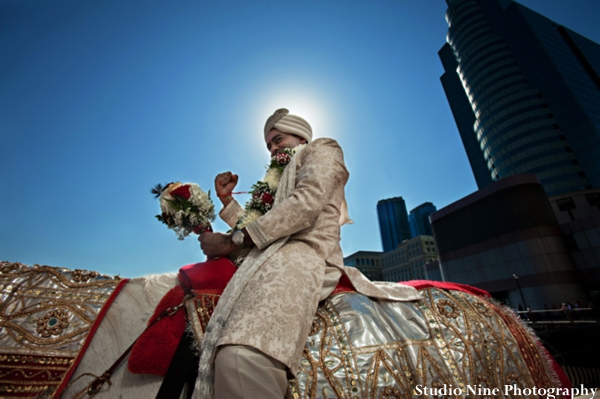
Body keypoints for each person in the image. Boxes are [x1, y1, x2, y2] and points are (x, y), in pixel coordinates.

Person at [196, 108, 420, 399]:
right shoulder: (277, 179)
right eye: (269, 145)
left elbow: (305, 204)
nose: (273, 147)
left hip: (305, 253)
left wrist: (231, 242)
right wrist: (226, 201)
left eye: (278, 139)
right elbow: (261, 223)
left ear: (301, 136)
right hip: (265, 256)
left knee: (244, 357)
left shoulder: (322, 149)